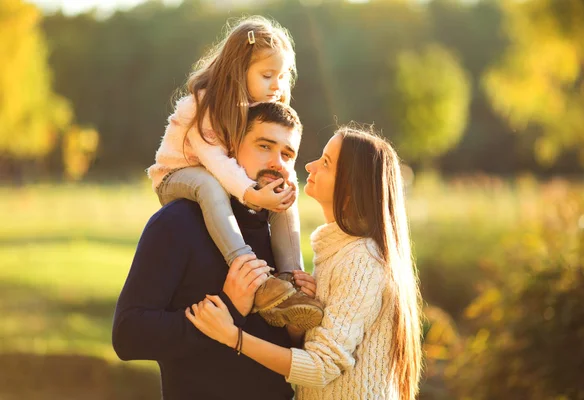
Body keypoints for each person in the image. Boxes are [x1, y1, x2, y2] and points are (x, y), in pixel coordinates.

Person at [186, 127, 423, 400]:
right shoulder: (336, 251)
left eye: (326, 163)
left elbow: (321, 367)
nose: (310, 166)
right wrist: (299, 323)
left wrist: (232, 337)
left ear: (351, 187)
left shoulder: (361, 260)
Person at [113, 102, 321, 399]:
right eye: (264, 146)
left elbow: (293, 357)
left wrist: (296, 327)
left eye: (287, 154)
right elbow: (128, 336)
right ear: (231, 150)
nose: (278, 162)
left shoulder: (280, 236)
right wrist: (229, 305)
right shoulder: (178, 222)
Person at [146, 15, 322, 326]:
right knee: (208, 185)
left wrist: (285, 188)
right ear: (239, 72)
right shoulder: (202, 107)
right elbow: (217, 164)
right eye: (268, 75)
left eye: (282, 77)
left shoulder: (257, 109)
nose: (277, 86)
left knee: (281, 193)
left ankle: (290, 282)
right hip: (178, 174)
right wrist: (253, 196)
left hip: (223, 178)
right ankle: (247, 266)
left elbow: (278, 156)